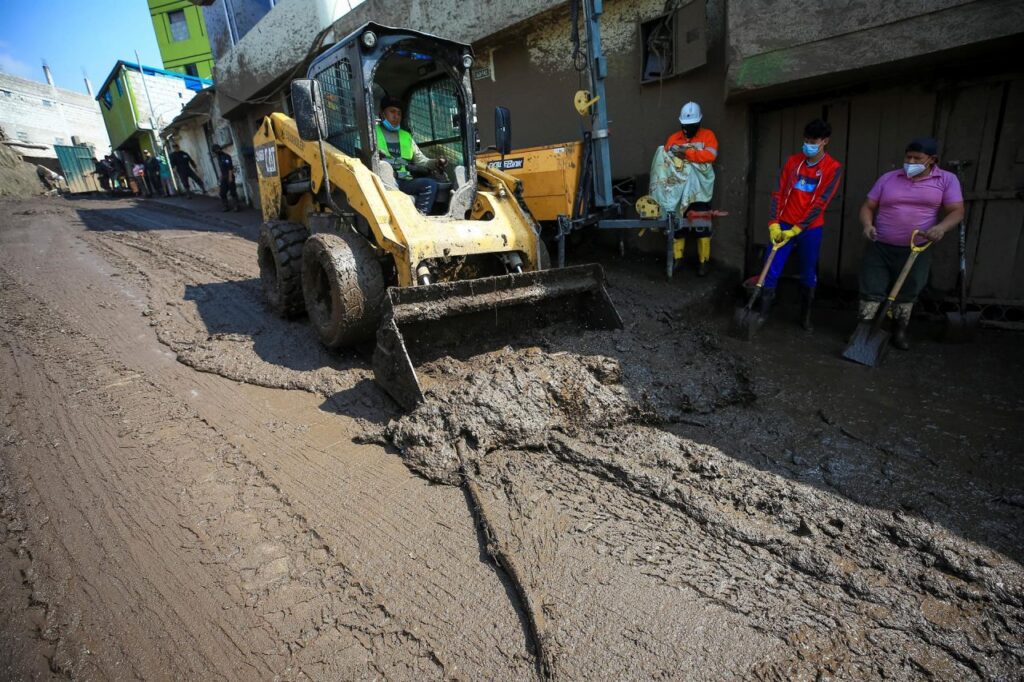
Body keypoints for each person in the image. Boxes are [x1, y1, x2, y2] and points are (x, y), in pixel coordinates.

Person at [857, 137, 964, 350]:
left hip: (917, 248)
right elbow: (868, 206)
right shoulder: (889, 178)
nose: (911, 161)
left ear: (932, 159)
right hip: (881, 245)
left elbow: (957, 211)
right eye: (908, 157)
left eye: (917, 158)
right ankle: (863, 332)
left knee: (908, 291)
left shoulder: (946, 180)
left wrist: (941, 228)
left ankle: (899, 331)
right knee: (871, 288)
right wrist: (867, 225)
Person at [757, 118, 843, 331]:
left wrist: (798, 228)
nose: (808, 144)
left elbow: (821, 202)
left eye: (813, 141)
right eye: (806, 140)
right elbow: (777, 193)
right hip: (783, 225)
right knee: (771, 267)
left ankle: (805, 316)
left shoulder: (833, 168)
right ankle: (762, 313)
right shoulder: (792, 162)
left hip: (810, 229)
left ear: (825, 141)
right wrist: (773, 223)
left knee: (808, 271)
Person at [651, 101, 719, 276]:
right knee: (677, 225)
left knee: (701, 224)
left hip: (699, 191)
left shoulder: (707, 136)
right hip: (678, 191)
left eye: (692, 125)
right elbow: (666, 162)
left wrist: (687, 154)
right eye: (686, 125)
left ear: (699, 123)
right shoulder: (674, 138)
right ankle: (677, 260)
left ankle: (704, 262)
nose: (688, 128)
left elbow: (711, 155)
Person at [375, 95, 448, 214]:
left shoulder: (406, 136)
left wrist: (436, 162)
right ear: (382, 114)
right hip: (383, 181)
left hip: (404, 181)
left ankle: (421, 217)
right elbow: (360, 156)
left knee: (430, 185)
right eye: (392, 112)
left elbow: (421, 161)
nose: (396, 116)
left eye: (399, 113)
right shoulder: (371, 132)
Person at [212, 143, 241, 211]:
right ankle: (226, 206)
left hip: (229, 175)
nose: (216, 152)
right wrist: (221, 177)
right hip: (224, 177)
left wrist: (230, 177)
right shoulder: (219, 158)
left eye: (216, 150)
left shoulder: (226, 156)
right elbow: (222, 169)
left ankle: (236, 206)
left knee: (233, 192)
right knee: (222, 193)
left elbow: (230, 168)